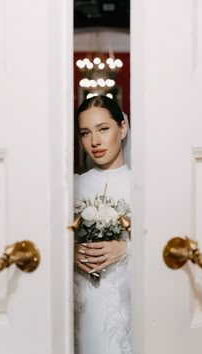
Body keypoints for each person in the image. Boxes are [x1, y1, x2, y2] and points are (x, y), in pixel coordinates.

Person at [74, 95, 132, 354]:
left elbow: (169, 244)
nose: (95, 142)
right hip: (84, 302)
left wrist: (127, 247)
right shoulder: (72, 185)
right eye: (85, 133)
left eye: (103, 129)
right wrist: (69, 250)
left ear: (122, 128)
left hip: (130, 302)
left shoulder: (142, 185)